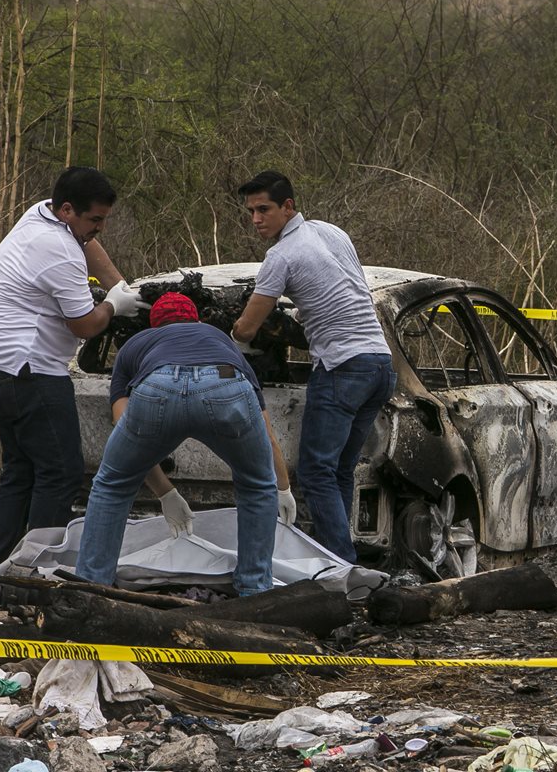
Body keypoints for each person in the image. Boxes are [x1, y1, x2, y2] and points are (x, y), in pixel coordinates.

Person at [0, 167, 146, 573]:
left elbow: (89, 245)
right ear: (67, 210)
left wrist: (120, 286)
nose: (99, 229)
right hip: (29, 373)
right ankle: (36, 571)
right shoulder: (58, 248)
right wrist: (112, 306)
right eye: (95, 220)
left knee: (22, 471)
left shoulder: (41, 216)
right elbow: (83, 324)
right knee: (62, 472)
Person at [75, 292, 296, 596]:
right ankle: (254, 590)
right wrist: (280, 487)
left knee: (112, 485)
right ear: (196, 321)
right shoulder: (220, 340)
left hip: (158, 383)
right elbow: (267, 432)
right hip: (225, 380)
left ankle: (91, 588)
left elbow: (122, 428)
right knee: (257, 486)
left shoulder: (137, 345)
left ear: (154, 326)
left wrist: (166, 492)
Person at [231, 171, 395, 564]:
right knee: (338, 469)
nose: (256, 219)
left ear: (288, 206)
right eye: (251, 211)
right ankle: (342, 562)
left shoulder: (281, 256)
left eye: (264, 209)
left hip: (342, 367)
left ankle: (338, 565)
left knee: (315, 472)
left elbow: (248, 327)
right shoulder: (330, 231)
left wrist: (227, 340)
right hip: (379, 363)